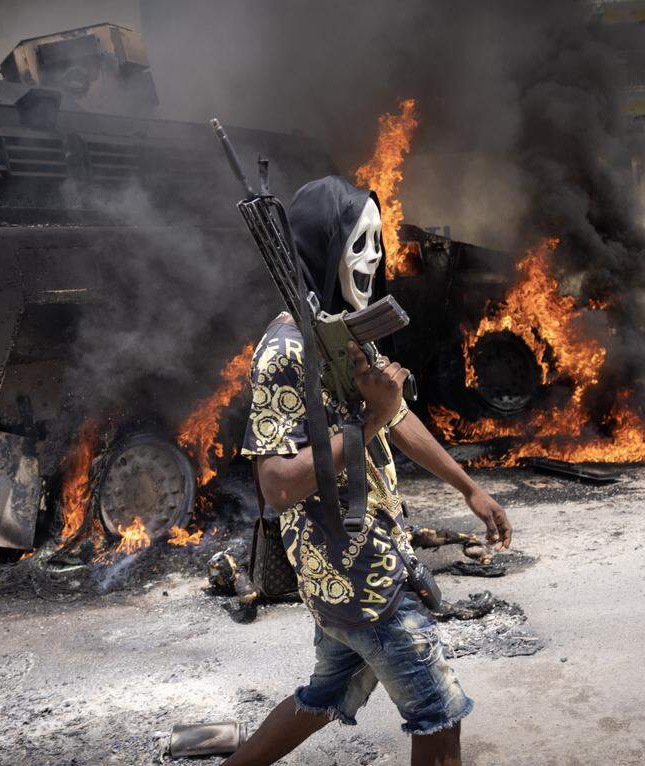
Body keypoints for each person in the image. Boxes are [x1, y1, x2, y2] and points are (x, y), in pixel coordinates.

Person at [226, 177, 512, 766]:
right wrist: (368, 423)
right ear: (323, 246)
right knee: (439, 716)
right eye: (359, 242)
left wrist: (471, 489)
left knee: (325, 694)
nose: (374, 257)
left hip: (360, 560)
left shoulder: (342, 329)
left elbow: (398, 414)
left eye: (377, 241)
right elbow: (277, 486)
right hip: (355, 568)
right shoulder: (286, 349)